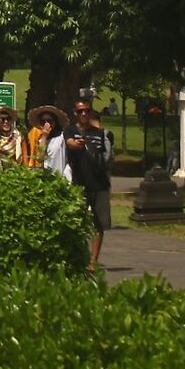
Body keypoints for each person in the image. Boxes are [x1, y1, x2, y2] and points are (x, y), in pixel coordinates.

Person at [66, 101, 113, 271]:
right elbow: (70, 142)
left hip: (100, 184)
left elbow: (106, 157)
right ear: (75, 113)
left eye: (87, 111)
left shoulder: (100, 134)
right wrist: (76, 144)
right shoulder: (71, 130)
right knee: (77, 222)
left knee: (99, 224)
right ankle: (79, 257)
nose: (84, 114)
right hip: (80, 183)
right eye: (80, 111)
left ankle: (93, 261)